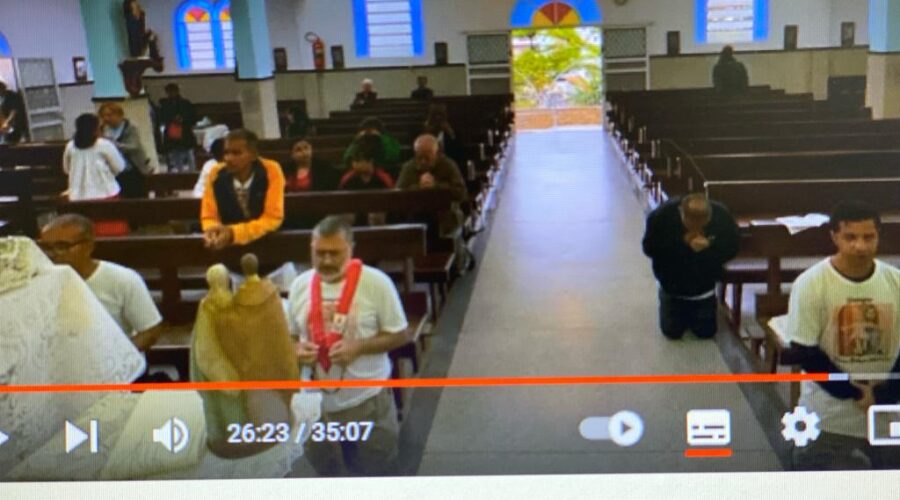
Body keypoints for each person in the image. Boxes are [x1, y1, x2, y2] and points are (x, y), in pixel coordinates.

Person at [288, 215, 410, 476]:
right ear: (311, 249)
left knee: (378, 474)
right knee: (328, 474)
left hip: (367, 400)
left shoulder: (376, 283)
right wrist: (296, 351)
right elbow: (289, 338)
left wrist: (359, 347)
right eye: (320, 253)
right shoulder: (300, 285)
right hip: (317, 406)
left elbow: (400, 335)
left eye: (335, 253)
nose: (327, 261)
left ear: (351, 249)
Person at [785, 202, 900, 470]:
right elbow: (805, 351)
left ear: (878, 237)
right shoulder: (811, 284)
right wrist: (853, 391)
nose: (860, 246)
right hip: (828, 415)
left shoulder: (895, 282)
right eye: (850, 237)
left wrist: (884, 394)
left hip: (886, 411)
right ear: (834, 236)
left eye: (868, 237)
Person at [38, 214, 164, 353]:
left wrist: (120, 357)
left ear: (88, 246)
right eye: (46, 248)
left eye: (62, 246)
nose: (53, 254)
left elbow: (150, 331)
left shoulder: (123, 279)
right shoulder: (38, 281)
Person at [641, 193, 740, 340]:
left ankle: (703, 310)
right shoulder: (661, 217)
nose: (696, 228)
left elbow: (733, 247)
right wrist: (682, 245)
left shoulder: (722, 216)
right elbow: (649, 248)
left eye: (702, 223)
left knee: (705, 333)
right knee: (672, 333)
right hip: (672, 288)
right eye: (691, 223)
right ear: (681, 212)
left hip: (704, 289)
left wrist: (710, 247)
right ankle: (670, 307)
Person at [200, 129, 285, 249]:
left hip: (269, 247)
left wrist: (234, 233)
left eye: (236, 153)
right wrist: (213, 231)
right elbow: (209, 216)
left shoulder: (271, 170)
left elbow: (272, 218)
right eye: (226, 153)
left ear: (254, 155)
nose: (228, 158)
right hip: (228, 250)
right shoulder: (216, 173)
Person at [397, 134, 471, 270]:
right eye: (419, 156)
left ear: (436, 154)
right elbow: (398, 195)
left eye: (428, 156)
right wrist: (417, 188)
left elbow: (461, 193)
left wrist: (436, 186)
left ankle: (460, 258)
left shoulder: (448, 165)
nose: (423, 161)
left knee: (447, 227)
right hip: (416, 216)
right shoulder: (408, 168)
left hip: (445, 216)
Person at [63, 113, 127, 201]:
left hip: (77, 196)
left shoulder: (70, 146)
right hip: (106, 194)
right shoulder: (104, 145)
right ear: (95, 130)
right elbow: (119, 167)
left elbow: (66, 169)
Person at [99, 102, 152, 198]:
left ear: (119, 115)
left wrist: (114, 145)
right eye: (103, 116)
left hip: (133, 169)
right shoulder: (102, 129)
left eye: (109, 115)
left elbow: (134, 147)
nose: (106, 119)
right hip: (115, 172)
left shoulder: (130, 127)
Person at [158, 83, 198, 172]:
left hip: (185, 131)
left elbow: (193, 117)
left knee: (189, 154)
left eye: (172, 91)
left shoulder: (185, 103)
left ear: (177, 91)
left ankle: (192, 173)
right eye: (169, 92)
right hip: (172, 132)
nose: (171, 94)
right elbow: (161, 117)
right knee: (175, 155)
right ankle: (179, 173)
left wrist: (183, 119)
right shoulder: (164, 104)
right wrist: (172, 119)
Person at [423, 103, 465, 172]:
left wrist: (451, 134)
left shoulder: (454, 134)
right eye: (434, 115)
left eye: (441, 115)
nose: (438, 118)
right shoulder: (422, 134)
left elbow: (459, 155)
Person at [0, 77, 27, 144]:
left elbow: (13, 112)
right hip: (8, 129)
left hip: (16, 128)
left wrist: (6, 122)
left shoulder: (12, 96)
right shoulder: (3, 98)